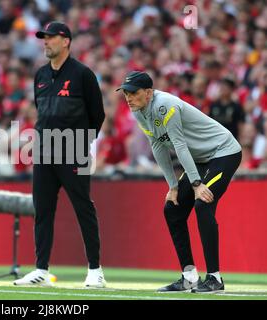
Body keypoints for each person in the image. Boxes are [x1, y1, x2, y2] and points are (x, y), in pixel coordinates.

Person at [117, 71, 241, 293]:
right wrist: (172, 187)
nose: (128, 98)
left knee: (203, 203)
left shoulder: (166, 105)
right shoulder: (138, 110)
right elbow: (157, 146)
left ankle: (214, 278)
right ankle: (189, 277)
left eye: (133, 93)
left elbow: (179, 145)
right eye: (126, 93)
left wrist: (196, 184)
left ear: (149, 93)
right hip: (201, 159)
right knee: (172, 209)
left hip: (224, 152)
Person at [14, 22, 106, 287]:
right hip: (44, 152)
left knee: (83, 208)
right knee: (42, 211)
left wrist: (81, 143)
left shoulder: (82, 74)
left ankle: (95, 270)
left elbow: (97, 114)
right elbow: (40, 111)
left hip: (73, 150)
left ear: (66, 41)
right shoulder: (40, 75)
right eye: (44, 38)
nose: (45, 42)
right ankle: (41, 269)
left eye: (51, 38)